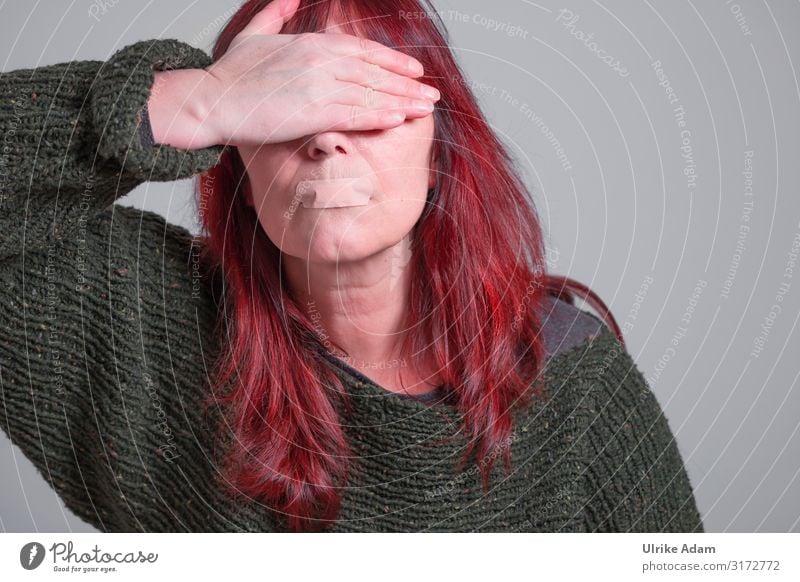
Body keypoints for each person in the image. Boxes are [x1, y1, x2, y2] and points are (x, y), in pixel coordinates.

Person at [0, 0, 703, 533]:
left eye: (361, 99)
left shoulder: (566, 375)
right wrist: (186, 100)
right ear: (232, 153)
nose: (326, 137)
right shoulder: (135, 322)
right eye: (282, 105)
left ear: (438, 152)